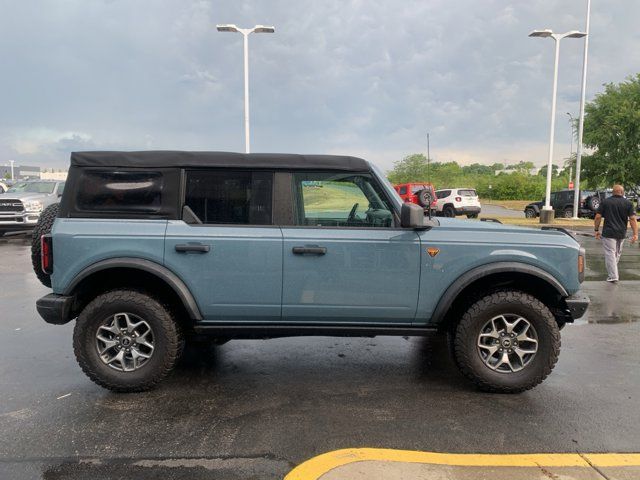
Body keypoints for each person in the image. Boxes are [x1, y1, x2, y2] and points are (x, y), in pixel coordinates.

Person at [594, 185, 638, 282]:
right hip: (621, 232)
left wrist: (596, 230)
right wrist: (635, 234)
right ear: (623, 192)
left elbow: (598, 217)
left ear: (612, 192)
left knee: (611, 254)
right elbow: (632, 219)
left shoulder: (606, 202)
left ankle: (613, 276)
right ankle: (613, 273)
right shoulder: (628, 203)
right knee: (616, 254)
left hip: (608, 232)